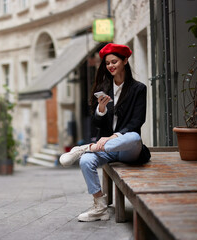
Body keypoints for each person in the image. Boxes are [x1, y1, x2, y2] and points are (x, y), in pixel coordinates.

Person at [59, 43, 150, 222]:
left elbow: (137, 121)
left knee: (134, 137)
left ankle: (85, 147)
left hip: (128, 149)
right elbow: (96, 123)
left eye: (114, 61)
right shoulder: (104, 88)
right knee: (85, 161)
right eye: (107, 63)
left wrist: (114, 136)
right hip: (106, 149)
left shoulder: (138, 89)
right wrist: (101, 109)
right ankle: (100, 207)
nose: (110, 66)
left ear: (125, 60)